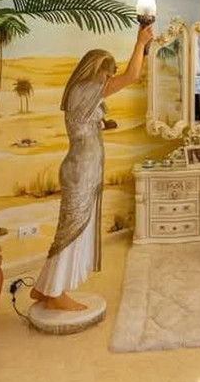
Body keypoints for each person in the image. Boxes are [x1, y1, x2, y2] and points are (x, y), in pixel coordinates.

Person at [31, 23, 155, 311]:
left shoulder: (81, 92)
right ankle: (56, 292)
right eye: (106, 73)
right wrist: (140, 43)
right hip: (81, 170)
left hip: (84, 166)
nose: (108, 79)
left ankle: (43, 287)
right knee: (73, 229)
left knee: (71, 227)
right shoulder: (85, 89)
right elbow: (132, 76)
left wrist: (103, 123)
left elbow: (84, 123)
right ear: (94, 70)